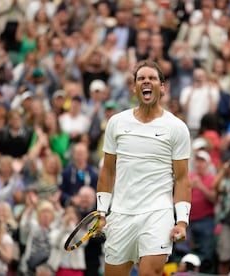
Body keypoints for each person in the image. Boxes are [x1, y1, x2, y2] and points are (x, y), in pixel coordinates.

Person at [95, 60, 192, 276]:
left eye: (152, 78)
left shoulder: (177, 127)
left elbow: (182, 179)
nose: (146, 82)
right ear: (134, 87)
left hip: (158, 213)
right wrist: (102, 212)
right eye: (141, 79)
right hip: (121, 214)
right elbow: (108, 171)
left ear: (162, 87)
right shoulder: (116, 123)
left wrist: (182, 221)